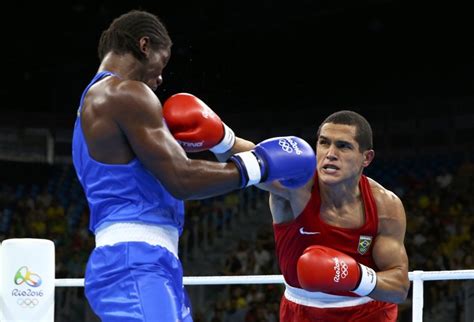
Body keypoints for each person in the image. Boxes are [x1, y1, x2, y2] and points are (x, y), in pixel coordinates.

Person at [71, 9, 317, 322]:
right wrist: (258, 165)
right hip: (135, 262)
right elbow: (181, 178)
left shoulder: (93, 102)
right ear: (144, 45)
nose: (161, 77)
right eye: (163, 60)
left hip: (139, 261)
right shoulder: (126, 93)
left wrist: (223, 141)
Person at [165, 109, 410, 321]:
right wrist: (220, 137)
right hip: (302, 313)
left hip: (367, 313)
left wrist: (354, 276)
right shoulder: (297, 186)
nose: (330, 153)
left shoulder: (385, 206)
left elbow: (399, 287)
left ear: (366, 157)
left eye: (343, 146)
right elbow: (257, 156)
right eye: (324, 142)